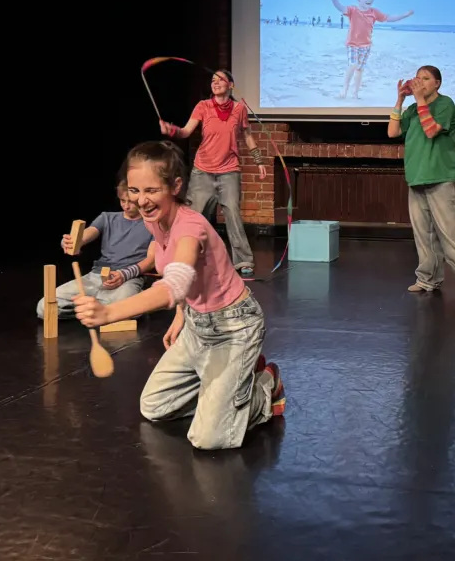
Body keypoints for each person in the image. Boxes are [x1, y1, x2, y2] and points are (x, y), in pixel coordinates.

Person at [73, 141, 285, 450]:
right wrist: (182, 313)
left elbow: (176, 282)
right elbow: (183, 273)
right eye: (134, 191)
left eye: (151, 190)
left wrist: (108, 313)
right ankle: (227, 393)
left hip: (233, 328)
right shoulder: (156, 221)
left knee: (208, 439)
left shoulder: (190, 228)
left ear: (175, 186)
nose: (141, 201)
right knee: (154, 407)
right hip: (197, 326)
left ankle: (264, 386)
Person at [387, 65, 455, 299]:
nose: (420, 82)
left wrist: (418, 99)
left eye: (425, 78)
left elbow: (431, 130)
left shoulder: (445, 104)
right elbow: (392, 132)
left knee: (452, 233)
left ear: (437, 83)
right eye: (418, 78)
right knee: (424, 235)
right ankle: (428, 280)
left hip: (441, 175)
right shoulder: (412, 109)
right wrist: (400, 100)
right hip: (417, 176)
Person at [158, 69, 265, 277]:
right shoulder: (203, 106)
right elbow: (185, 132)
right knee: (194, 216)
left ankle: (244, 261)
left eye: (220, 80)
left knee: (233, 214)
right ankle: (182, 257)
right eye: (213, 80)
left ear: (231, 85)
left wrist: (259, 160)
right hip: (203, 171)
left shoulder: (239, 109)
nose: (215, 83)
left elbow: (248, 136)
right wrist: (171, 130)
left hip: (229, 171)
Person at [36, 181, 156, 319]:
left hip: (128, 279)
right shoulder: (107, 218)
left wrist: (124, 275)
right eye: (122, 201)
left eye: (131, 202)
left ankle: (104, 310)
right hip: (96, 277)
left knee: (127, 311)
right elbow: (84, 236)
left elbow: (151, 260)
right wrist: (70, 242)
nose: (126, 206)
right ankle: (98, 310)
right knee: (45, 307)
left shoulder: (153, 224)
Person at [325, 0, 414, 99]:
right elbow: (340, 7)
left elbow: (389, 18)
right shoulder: (353, 10)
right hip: (353, 44)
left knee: (360, 70)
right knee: (353, 64)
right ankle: (344, 89)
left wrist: (405, 15)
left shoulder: (374, 12)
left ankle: (355, 93)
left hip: (366, 46)